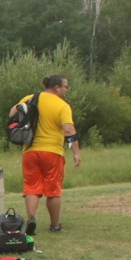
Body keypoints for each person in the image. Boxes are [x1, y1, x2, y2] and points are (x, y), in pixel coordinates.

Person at [9, 75, 82, 234]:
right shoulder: (62, 106)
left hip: (30, 151)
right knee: (53, 190)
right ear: (57, 87)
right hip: (52, 152)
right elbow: (69, 130)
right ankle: (55, 225)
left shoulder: (31, 97)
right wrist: (76, 152)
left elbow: (12, 112)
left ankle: (32, 218)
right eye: (65, 87)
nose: (66, 90)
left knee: (31, 188)